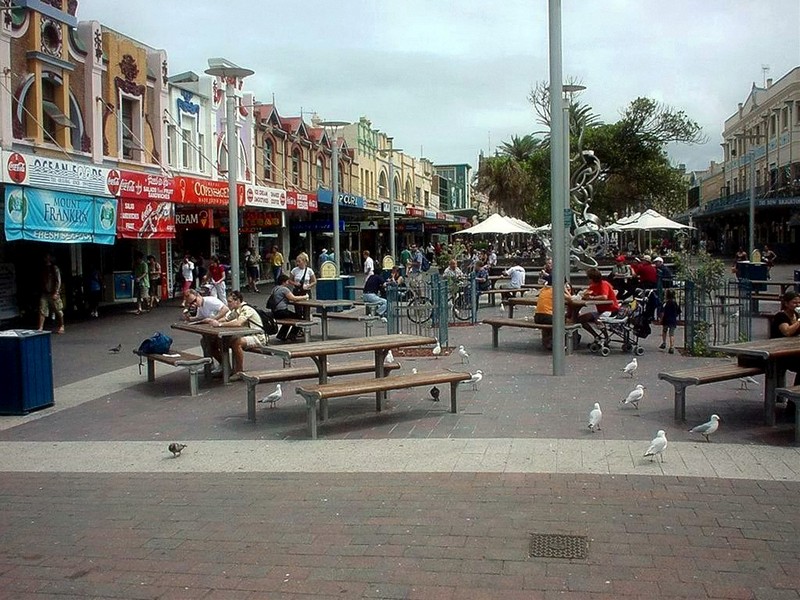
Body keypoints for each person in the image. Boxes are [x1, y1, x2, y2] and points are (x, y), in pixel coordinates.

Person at [208, 290, 266, 380]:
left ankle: (239, 371)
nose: (228, 304)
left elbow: (238, 322)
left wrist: (220, 325)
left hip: (257, 337)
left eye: (230, 302)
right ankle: (226, 367)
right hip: (245, 335)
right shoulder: (236, 310)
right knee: (214, 343)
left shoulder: (247, 309)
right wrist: (215, 321)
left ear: (237, 301)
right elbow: (227, 319)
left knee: (236, 342)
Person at [182, 288, 230, 374]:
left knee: (208, 342)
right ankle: (209, 364)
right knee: (205, 341)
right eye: (191, 303)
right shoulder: (200, 306)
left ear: (199, 296)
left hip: (224, 326)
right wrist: (189, 318)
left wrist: (214, 319)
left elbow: (225, 309)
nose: (194, 304)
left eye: (195, 301)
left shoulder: (210, 301)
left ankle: (224, 365)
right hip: (213, 329)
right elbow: (200, 317)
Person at [577, 267, 620, 341]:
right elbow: (586, 293)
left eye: (589, 278)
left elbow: (604, 297)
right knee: (581, 319)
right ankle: (596, 336)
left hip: (611, 310)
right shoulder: (593, 285)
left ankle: (606, 337)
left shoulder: (604, 284)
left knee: (598, 320)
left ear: (592, 278)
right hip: (601, 311)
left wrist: (592, 298)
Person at [534, 280, 573, 350]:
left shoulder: (544, 289)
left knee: (556, 320)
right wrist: (564, 289)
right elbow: (570, 299)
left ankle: (547, 341)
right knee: (563, 320)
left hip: (537, 317)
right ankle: (559, 343)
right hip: (548, 316)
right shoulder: (556, 290)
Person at [268, 274, 309, 342]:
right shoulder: (284, 289)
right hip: (282, 311)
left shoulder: (274, 289)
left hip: (275, 312)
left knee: (289, 320)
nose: (288, 283)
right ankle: (291, 336)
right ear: (283, 282)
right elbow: (293, 298)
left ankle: (281, 335)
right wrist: (305, 297)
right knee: (299, 318)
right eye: (287, 281)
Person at [37, 253, 64, 334]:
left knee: (58, 309)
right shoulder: (43, 268)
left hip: (53, 292)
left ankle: (62, 325)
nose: (47, 259)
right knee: (42, 309)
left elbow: (58, 280)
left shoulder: (54, 268)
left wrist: (57, 291)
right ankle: (41, 327)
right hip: (45, 292)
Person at [659, 288, 681, 354]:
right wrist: (675, 315)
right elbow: (678, 311)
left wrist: (661, 319)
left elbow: (662, 312)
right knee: (672, 334)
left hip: (666, 319)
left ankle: (664, 342)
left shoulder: (665, 303)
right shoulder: (675, 303)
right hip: (673, 320)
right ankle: (671, 347)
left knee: (664, 331)